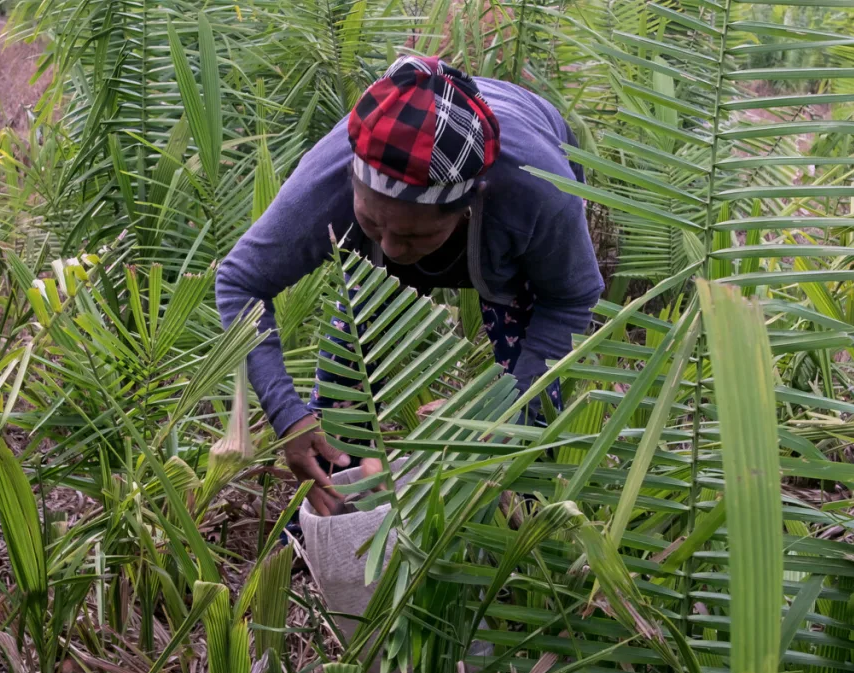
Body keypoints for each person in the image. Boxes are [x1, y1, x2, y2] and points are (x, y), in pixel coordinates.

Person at [216, 56, 603, 516]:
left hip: (525, 164)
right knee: (339, 418)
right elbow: (240, 283)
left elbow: (569, 298)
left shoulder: (538, 192)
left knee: (518, 439)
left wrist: (507, 411)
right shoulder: (329, 182)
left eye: (415, 235)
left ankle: (516, 528)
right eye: (373, 223)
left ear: (468, 206)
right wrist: (288, 417)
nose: (394, 249)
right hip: (409, 194)